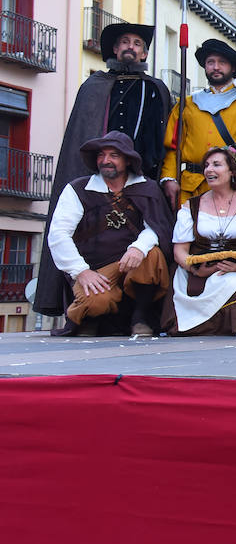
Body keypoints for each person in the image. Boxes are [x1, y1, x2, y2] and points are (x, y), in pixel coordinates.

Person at [36, 22, 171, 321]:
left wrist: (163, 178)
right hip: (101, 177)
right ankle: (93, 310)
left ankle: (142, 316)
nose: (130, 47)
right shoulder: (93, 86)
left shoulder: (157, 89)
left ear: (144, 51)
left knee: (151, 247)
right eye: (125, 42)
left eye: (137, 43)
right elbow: (81, 132)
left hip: (141, 181)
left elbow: (166, 139)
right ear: (114, 48)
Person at [47, 131, 173, 336]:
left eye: (114, 155)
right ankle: (93, 320)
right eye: (101, 155)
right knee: (94, 303)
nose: (106, 160)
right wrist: (81, 271)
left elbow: (157, 227)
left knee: (152, 255)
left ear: (127, 160)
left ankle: (140, 318)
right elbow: (58, 234)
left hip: (131, 263)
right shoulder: (78, 189)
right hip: (94, 269)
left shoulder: (146, 188)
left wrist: (138, 248)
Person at [161, 40, 236, 206]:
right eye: (210, 62)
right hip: (192, 189)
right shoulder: (187, 105)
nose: (216, 67)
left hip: (234, 189)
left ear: (233, 67)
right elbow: (173, 147)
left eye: (222, 62)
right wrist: (169, 177)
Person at [165, 147, 236, 336]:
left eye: (217, 165)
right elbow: (180, 251)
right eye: (207, 165)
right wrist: (194, 268)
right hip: (195, 272)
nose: (209, 170)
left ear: (232, 171)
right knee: (189, 288)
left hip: (232, 272)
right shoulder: (191, 206)